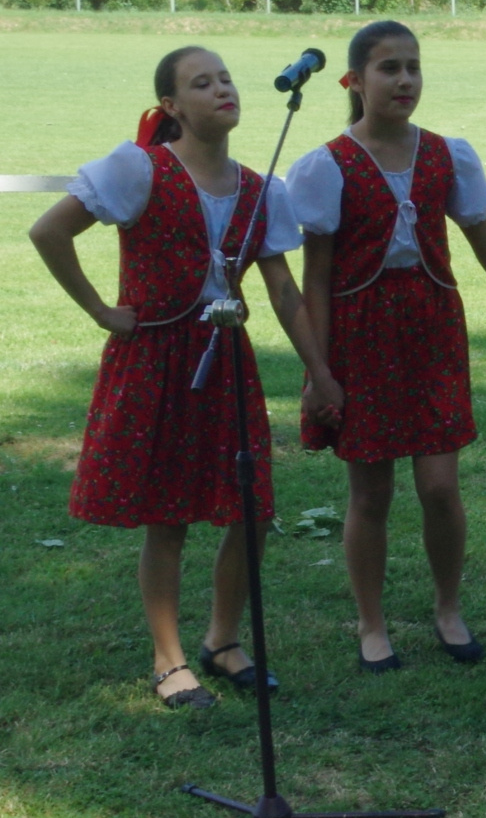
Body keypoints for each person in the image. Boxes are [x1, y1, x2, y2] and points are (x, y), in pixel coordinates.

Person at [28, 46, 340, 708]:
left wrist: (320, 372)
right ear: (171, 105)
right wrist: (101, 311)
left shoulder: (260, 188)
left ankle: (222, 641)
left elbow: (283, 290)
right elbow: (49, 230)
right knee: (167, 515)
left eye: (225, 78)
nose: (222, 89)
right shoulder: (139, 168)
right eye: (202, 83)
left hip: (228, 360)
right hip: (156, 360)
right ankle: (168, 660)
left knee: (251, 509)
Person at [292, 20, 486, 672]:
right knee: (371, 493)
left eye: (413, 67)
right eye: (389, 68)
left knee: (441, 487)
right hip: (361, 336)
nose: (405, 80)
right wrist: (318, 368)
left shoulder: (447, 156)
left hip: (431, 330)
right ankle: (371, 622)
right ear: (354, 81)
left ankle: (448, 608)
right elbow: (317, 279)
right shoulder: (328, 165)